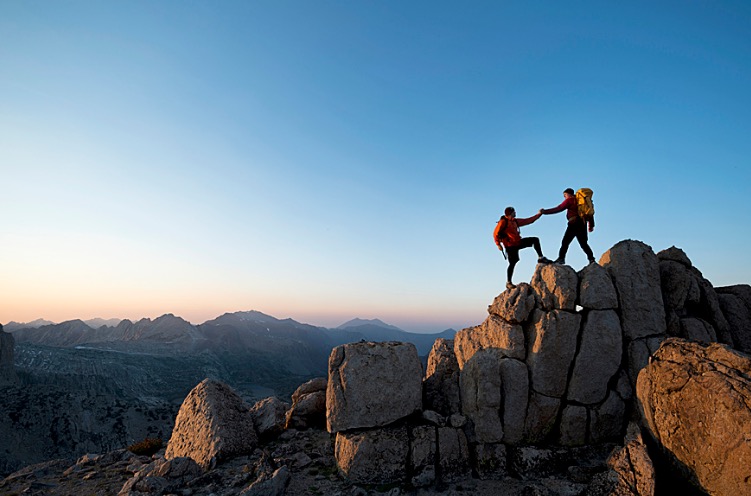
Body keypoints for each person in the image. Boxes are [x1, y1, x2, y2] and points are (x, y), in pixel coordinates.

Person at [494, 206, 552, 290]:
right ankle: (508, 282)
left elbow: (529, 221)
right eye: (514, 212)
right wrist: (498, 244)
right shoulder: (503, 222)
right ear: (510, 213)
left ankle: (541, 258)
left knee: (535, 240)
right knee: (512, 263)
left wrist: (539, 214)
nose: (516, 213)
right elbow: (495, 233)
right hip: (510, 245)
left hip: (518, 242)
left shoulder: (515, 221)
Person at [540, 188, 596, 265]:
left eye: (565, 195)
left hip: (573, 223)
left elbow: (559, 208)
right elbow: (589, 213)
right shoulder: (581, 201)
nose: (564, 197)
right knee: (583, 244)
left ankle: (561, 259)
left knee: (565, 242)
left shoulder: (570, 200)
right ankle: (591, 259)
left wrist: (545, 212)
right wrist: (591, 225)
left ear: (569, 194)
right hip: (582, 223)